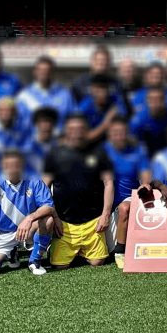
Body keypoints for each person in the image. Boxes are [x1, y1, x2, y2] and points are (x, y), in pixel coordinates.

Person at [43, 114, 114, 270]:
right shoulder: (54, 153)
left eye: (80, 129)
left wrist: (105, 215)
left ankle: (82, 251)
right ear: (66, 131)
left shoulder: (99, 153)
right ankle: (53, 247)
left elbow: (108, 183)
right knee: (60, 266)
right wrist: (53, 216)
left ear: (86, 131)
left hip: (93, 222)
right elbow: (45, 185)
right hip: (64, 222)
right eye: (72, 129)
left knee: (98, 262)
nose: (76, 133)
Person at [0, 149, 55, 276]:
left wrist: (29, 218)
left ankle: (34, 261)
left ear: (22, 165)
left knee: (48, 220)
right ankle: (11, 253)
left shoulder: (34, 180)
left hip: (28, 230)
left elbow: (49, 207)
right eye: (7, 166)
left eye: (16, 166)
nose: (11, 169)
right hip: (2, 232)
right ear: (2, 166)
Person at [101, 117, 151, 267]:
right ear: (109, 135)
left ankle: (120, 251)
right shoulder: (102, 150)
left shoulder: (138, 149)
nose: (118, 136)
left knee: (125, 208)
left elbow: (145, 172)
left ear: (127, 133)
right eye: (114, 133)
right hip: (102, 202)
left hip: (127, 199)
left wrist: (146, 184)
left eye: (121, 133)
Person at [16, 56, 75, 129]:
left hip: (58, 138)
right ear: (34, 72)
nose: (44, 72)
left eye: (47, 70)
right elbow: (18, 122)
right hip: (33, 139)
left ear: (52, 72)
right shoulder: (24, 96)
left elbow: (73, 119)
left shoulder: (65, 93)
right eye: (41, 70)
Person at [129, 87, 167, 155]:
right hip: (147, 149)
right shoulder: (138, 120)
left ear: (165, 100)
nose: (156, 103)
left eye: (160, 99)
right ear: (147, 101)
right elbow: (132, 142)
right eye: (153, 100)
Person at [77, 74, 124, 144]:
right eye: (98, 88)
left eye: (104, 88)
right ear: (92, 89)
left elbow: (122, 130)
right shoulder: (84, 106)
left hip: (111, 142)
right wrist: (106, 123)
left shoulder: (116, 100)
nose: (101, 92)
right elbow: (84, 137)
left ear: (108, 90)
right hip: (89, 144)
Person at [20, 108, 58, 177]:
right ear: (36, 123)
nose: (45, 125)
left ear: (54, 124)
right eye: (42, 121)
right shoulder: (28, 147)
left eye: (49, 121)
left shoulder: (59, 143)